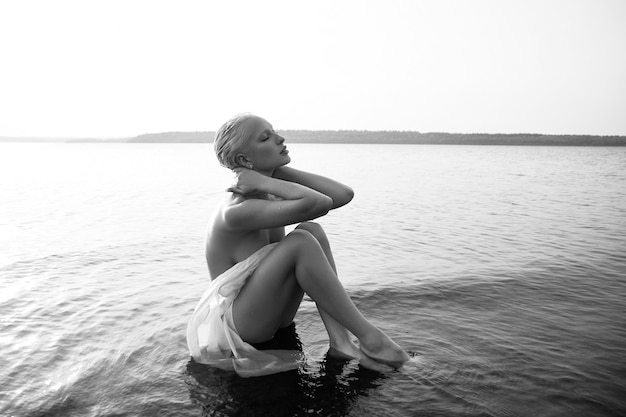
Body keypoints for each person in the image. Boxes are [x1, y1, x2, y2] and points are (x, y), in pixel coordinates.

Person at [187, 113, 410, 376]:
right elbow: (321, 203)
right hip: (239, 328)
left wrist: (274, 173)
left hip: (270, 315)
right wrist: (268, 179)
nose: (280, 139)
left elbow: (342, 195)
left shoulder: (268, 193)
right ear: (244, 160)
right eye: (266, 138)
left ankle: (342, 342)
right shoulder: (236, 211)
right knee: (301, 241)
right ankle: (373, 340)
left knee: (311, 230)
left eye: (274, 132)